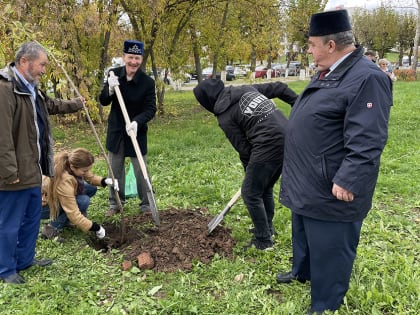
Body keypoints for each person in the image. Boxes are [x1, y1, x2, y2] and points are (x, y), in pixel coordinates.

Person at [275, 10, 393, 314]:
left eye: (312, 45)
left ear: (331, 45)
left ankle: (325, 302)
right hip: (309, 177)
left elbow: (369, 138)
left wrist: (349, 178)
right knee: (303, 228)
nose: (309, 51)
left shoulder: (368, 78)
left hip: (331, 183)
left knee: (330, 244)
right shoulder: (329, 70)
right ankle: (303, 271)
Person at [0, 41, 85, 284]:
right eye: (42, 64)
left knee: (31, 217)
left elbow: (52, 106)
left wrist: (76, 104)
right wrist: (8, 170)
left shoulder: (31, 89)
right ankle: (6, 270)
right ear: (24, 61)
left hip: (33, 170)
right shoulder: (5, 89)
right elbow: (2, 135)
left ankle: (25, 260)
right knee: (9, 222)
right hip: (14, 172)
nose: (44, 70)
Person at [193, 79, 298, 250]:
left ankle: (263, 241)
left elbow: (244, 149)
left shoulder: (225, 116)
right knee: (264, 188)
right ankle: (267, 229)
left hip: (268, 144)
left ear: (206, 102)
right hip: (288, 138)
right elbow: (280, 87)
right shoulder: (246, 89)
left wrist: (250, 172)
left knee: (250, 193)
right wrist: (297, 103)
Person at [99, 40, 157, 217]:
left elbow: (151, 109)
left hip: (136, 132)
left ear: (141, 59)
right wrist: (109, 88)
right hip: (117, 131)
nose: (133, 62)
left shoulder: (147, 82)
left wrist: (137, 122)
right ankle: (116, 203)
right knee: (115, 169)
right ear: (124, 57)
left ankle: (147, 204)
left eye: (137, 58)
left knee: (141, 169)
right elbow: (103, 101)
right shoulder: (114, 74)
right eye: (130, 57)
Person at [40, 148, 119, 241]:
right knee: (82, 201)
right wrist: (95, 227)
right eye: (85, 170)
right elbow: (73, 213)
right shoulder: (64, 181)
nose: (86, 173)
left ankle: (66, 220)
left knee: (91, 188)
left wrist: (104, 181)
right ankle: (51, 228)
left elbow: (88, 176)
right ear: (73, 167)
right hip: (43, 207)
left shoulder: (69, 161)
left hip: (56, 197)